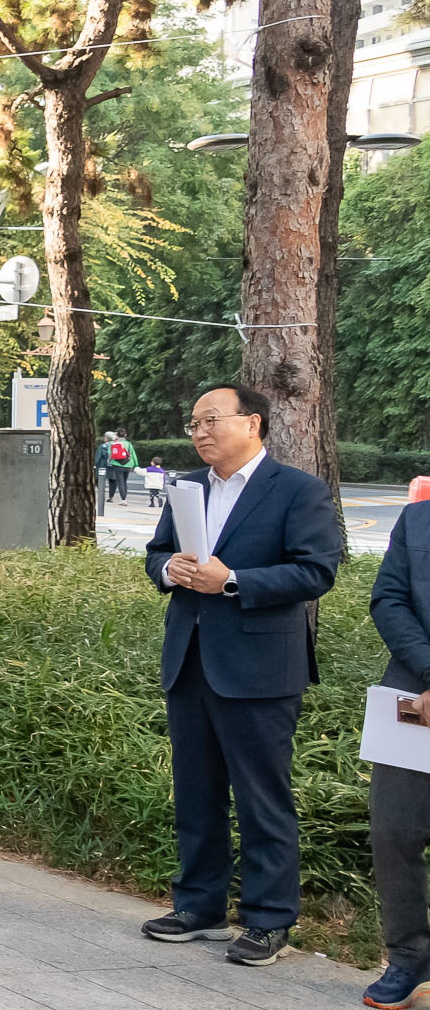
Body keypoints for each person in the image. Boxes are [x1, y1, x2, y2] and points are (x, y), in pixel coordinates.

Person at [141, 385, 341, 965]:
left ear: (252, 423)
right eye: (194, 424)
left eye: (211, 420)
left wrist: (233, 581)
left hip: (260, 667)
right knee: (196, 792)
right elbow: (156, 553)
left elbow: (315, 571)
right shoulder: (187, 488)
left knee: (261, 797)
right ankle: (199, 906)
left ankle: (268, 919)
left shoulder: (298, 491)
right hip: (191, 658)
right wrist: (168, 569)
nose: (200, 432)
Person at [364, 496, 430, 1010]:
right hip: (414, 694)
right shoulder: (417, 519)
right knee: (393, 830)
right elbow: (389, 598)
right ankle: (408, 955)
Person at [100, 431, 135, 507]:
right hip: (128, 464)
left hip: (117, 464)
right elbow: (133, 454)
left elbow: (110, 454)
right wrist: (135, 464)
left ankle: (123, 499)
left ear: (117, 435)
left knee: (120, 482)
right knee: (124, 482)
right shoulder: (129, 444)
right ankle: (124, 498)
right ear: (125, 435)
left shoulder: (113, 443)